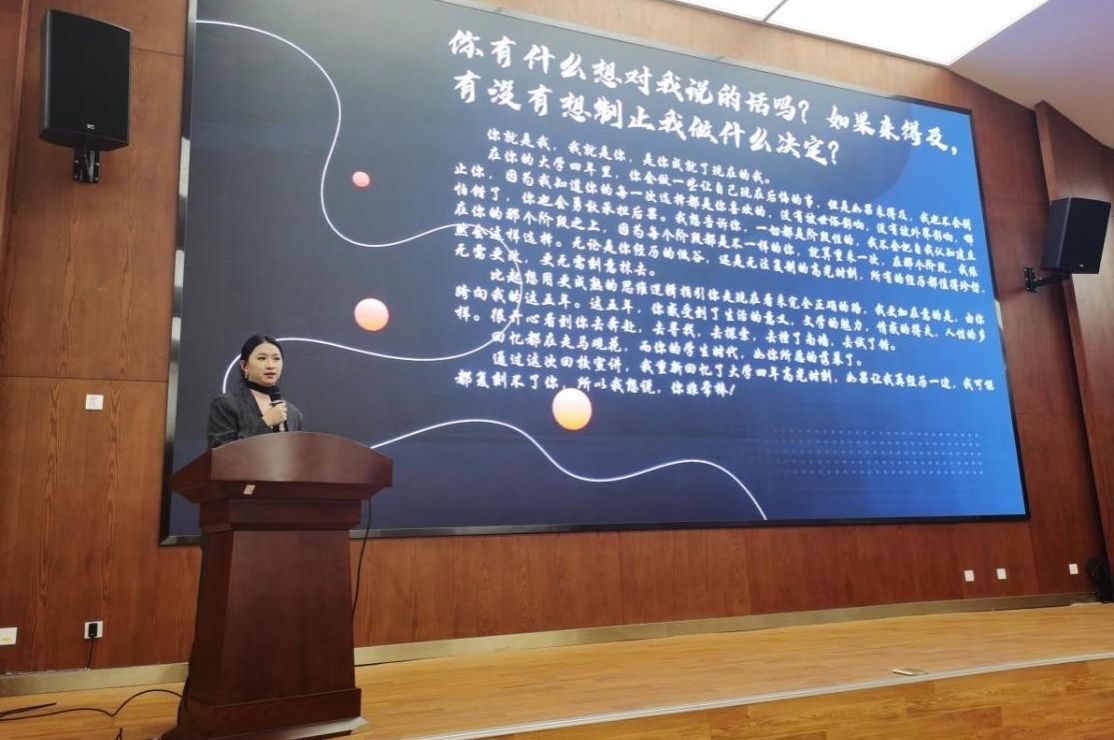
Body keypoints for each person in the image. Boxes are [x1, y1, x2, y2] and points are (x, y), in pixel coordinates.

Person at [207, 334, 304, 447]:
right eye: (262, 358)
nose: (270, 365)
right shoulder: (226, 404)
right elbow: (220, 452)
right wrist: (265, 423)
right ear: (244, 365)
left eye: (276, 358)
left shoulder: (293, 413)